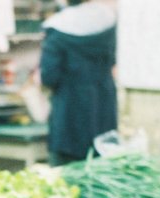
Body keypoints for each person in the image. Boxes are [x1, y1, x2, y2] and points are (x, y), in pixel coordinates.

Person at [39, 0, 118, 166]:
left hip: (69, 112)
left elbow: (49, 76)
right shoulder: (109, 20)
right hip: (103, 107)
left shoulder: (57, 27)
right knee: (101, 169)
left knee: (66, 176)